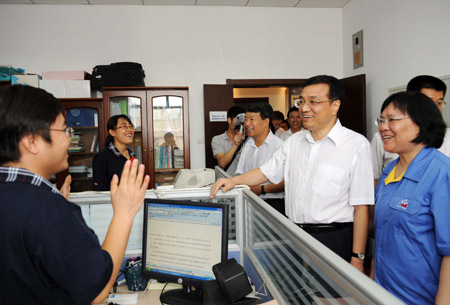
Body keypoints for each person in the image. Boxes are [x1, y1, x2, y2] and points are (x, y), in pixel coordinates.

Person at [0, 85, 150, 305]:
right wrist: (125, 213)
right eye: (64, 130)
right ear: (31, 141)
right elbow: (96, 290)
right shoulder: (47, 210)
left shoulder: (39, 205)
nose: (70, 139)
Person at [211, 75, 373, 271]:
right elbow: (266, 171)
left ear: (335, 105)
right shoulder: (294, 142)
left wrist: (358, 257)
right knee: (296, 295)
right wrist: (233, 181)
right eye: (302, 101)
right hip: (294, 233)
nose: (304, 108)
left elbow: (361, 207)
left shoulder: (355, 145)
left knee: (329, 300)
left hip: (333, 238)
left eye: (313, 102)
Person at [373, 91, 450, 305]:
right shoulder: (389, 171)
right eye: (381, 120)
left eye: (392, 120)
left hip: (421, 298)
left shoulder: (441, 174)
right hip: (384, 292)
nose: (383, 127)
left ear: (421, 123)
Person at [371, 75, 450, 186]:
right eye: (428, 102)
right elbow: (373, 177)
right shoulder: (384, 140)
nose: (434, 109)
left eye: (439, 103)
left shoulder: (443, 164)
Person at [235, 103, 285, 214]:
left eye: (252, 119)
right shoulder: (247, 145)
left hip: (273, 204)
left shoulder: (280, 147)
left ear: (266, 121)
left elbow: (286, 181)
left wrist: (262, 189)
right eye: (246, 119)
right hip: (249, 202)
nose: (247, 124)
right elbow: (240, 173)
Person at [93, 114, 136, 191]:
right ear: (112, 132)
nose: (129, 130)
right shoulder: (102, 158)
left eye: (131, 126)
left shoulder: (131, 155)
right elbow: (99, 190)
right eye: (124, 126)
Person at [211, 106, 245, 175]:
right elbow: (222, 163)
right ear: (229, 120)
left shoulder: (249, 140)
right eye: (238, 120)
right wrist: (235, 145)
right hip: (225, 181)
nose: (240, 123)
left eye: (243, 121)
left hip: (243, 181)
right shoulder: (218, 139)